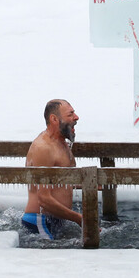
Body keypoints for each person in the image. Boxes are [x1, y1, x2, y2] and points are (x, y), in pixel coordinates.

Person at [22, 99, 82, 239]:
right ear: (54, 119)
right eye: (70, 114)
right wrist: (79, 218)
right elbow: (43, 198)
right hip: (39, 220)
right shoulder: (43, 148)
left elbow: (59, 182)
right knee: (52, 259)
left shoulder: (62, 142)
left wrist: (90, 184)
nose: (76, 117)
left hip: (58, 219)